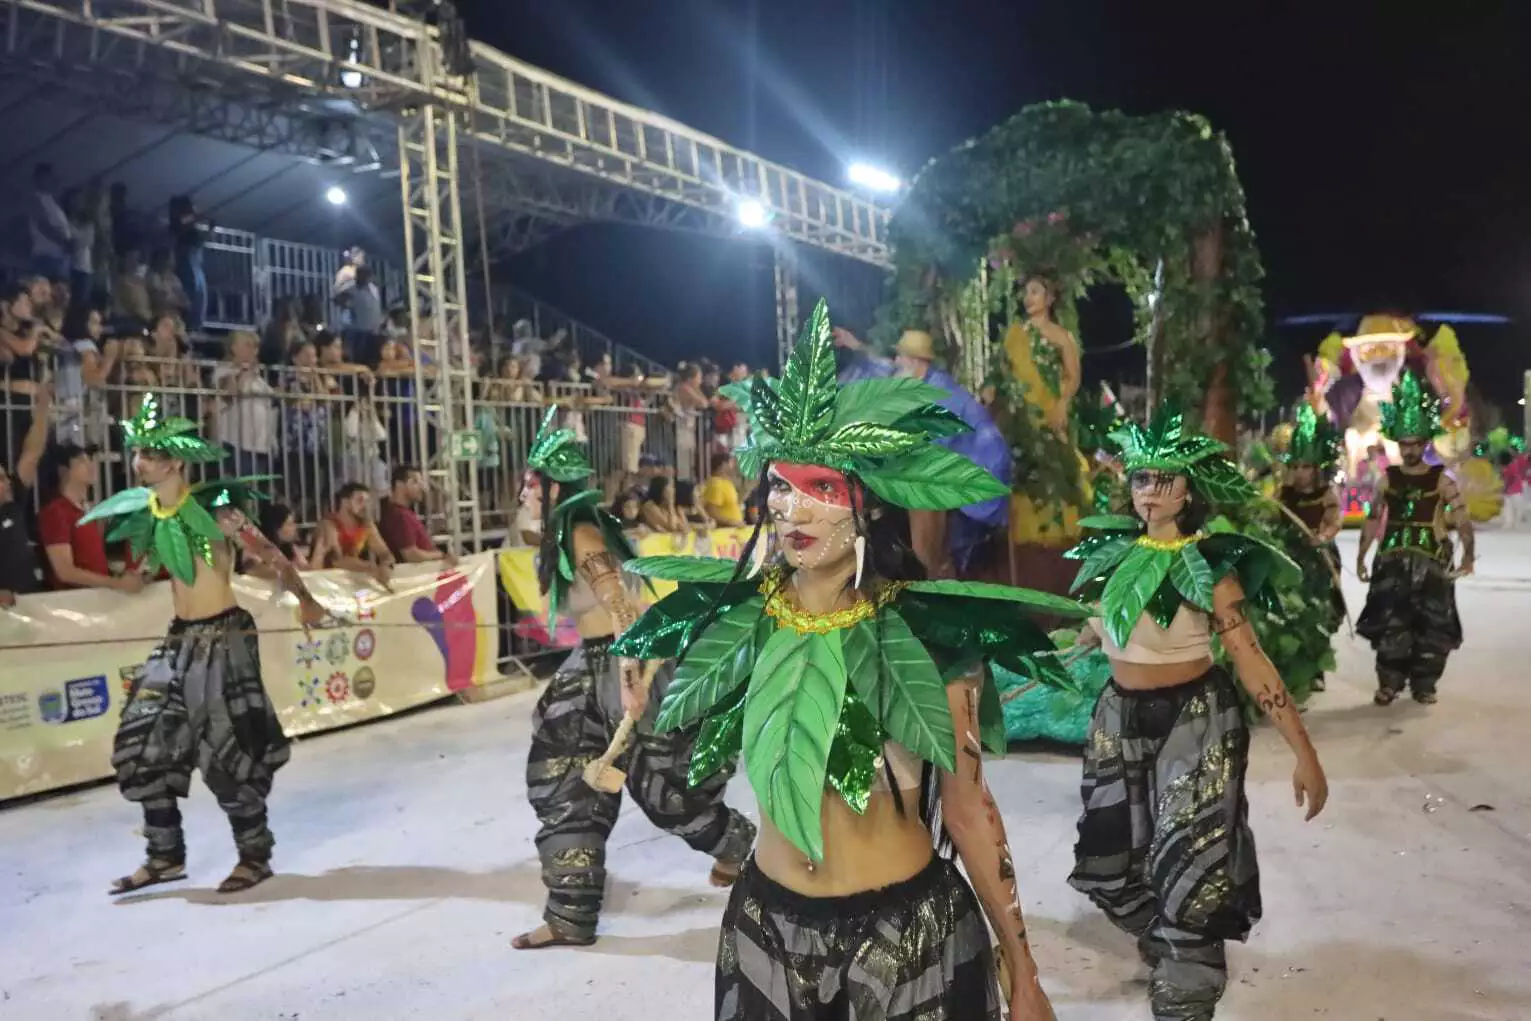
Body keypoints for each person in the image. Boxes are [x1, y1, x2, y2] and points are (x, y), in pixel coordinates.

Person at [615, 301, 1075, 1020]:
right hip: (765, 931)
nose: (793, 511)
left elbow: (969, 810)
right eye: (780, 485)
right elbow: (669, 737)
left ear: (869, 503)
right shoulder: (739, 624)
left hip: (907, 942)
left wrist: (1024, 969)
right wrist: (638, 666)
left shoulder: (927, 635)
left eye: (820, 488)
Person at [1064, 402, 1329, 1021]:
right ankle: (1171, 939)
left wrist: (1304, 753)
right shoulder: (1109, 559)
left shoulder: (1211, 568)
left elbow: (1253, 660)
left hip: (1197, 714)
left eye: (1165, 480)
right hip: (1118, 715)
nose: (1149, 493)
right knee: (1110, 859)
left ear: (1190, 491)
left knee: (1193, 849)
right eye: (1140, 478)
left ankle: (1189, 969)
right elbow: (1095, 634)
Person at [512, 407, 756, 951]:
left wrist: (630, 679)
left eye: (531, 485)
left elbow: (621, 608)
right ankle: (569, 914)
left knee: (665, 787)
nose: (524, 494)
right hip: (592, 668)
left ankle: (739, 846)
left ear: (553, 487)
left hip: (624, 660)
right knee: (564, 781)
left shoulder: (579, 531)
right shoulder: (567, 527)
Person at [79, 394, 327, 895]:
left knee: (227, 749)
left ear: (173, 460)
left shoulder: (216, 507)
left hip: (225, 637)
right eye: (137, 453)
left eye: (149, 454)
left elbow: (270, 553)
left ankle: (254, 855)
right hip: (180, 639)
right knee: (143, 739)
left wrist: (305, 601)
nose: (138, 462)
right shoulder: (150, 513)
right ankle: (164, 856)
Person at [832, 325, 1012, 577]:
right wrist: (856, 346)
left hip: (982, 479)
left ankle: (930, 573)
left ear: (916, 362)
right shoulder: (918, 379)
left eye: (900, 356)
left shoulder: (939, 394)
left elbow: (929, 452)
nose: (895, 362)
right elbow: (883, 370)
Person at [1356, 370, 1471, 706]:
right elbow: (1373, 518)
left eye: (1414, 443)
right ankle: (1389, 682)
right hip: (1391, 562)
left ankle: (1424, 684)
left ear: (1424, 444)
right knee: (1391, 623)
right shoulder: (1387, 480)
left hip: (1432, 561)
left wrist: (1467, 554)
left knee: (1432, 625)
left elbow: (1462, 517)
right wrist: (1362, 556)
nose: (1408, 449)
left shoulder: (1441, 480)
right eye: (1404, 444)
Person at [1276, 403, 1347, 692]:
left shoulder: (1326, 493)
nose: (1301, 473)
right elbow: (1271, 517)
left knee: (1319, 613)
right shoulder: (1283, 494)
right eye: (1295, 466)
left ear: (1317, 468)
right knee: (1289, 614)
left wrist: (1323, 536)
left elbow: (1334, 521)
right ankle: (1292, 669)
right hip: (1289, 558)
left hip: (1319, 560)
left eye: (1306, 467)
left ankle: (1317, 669)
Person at [39, 443, 141, 593]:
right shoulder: (56, 512)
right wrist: (114, 583)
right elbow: (65, 572)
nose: (90, 465)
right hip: (76, 604)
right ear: (63, 470)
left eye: (89, 460)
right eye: (81, 461)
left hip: (95, 599)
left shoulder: (86, 510)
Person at [0, 387, 50, 605]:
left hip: (30, 602)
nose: (7, 482)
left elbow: (33, 452)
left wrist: (42, 408)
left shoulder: (13, 501)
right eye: (1, 479)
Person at [310, 482, 394, 589]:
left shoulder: (366, 525)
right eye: (360, 500)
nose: (365, 506)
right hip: (325, 585)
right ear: (345, 502)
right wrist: (370, 567)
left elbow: (385, 553)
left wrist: (386, 566)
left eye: (367, 502)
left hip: (349, 583)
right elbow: (337, 561)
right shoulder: (329, 525)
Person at [378, 465, 455, 566]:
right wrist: (441, 556)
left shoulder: (401, 513)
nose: (421, 487)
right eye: (415, 482)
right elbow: (411, 554)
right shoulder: (400, 516)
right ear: (399, 485)